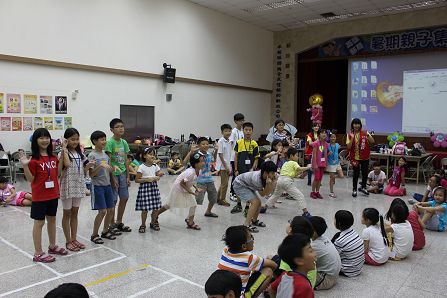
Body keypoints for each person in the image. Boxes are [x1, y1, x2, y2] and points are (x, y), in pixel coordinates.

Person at [20, 128, 67, 262]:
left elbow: (58, 173)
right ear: (35, 140)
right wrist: (24, 166)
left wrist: (63, 154)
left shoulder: (53, 157)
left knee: (52, 220)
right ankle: (38, 253)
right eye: (41, 138)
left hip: (53, 194)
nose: (45, 140)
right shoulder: (34, 160)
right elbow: (30, 179)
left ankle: (52, 246)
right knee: (39, 223)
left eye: (47, 137)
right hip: (39, 196)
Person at [218, 225, 277, 298]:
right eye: (251, 237)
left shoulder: (225, 250)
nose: (253, 239)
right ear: (244, 246)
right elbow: (274, 265)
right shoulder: (250, 258)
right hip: (239, 295)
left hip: (224, 291)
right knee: (268, 271)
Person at [154, 152, 205, 230]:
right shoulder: (190, 172)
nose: (203, 163)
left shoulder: (199, 171)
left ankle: (190, 222)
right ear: (195, 164)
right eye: (201, 161)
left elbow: (192, 181)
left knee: (193, 204)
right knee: (169, 205)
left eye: (203, 161)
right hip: (178, 189)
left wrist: (196, 188)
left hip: (185, 188)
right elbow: (182, 183)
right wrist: (190, 192)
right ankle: (155, 215)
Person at [60, 128, 89, 252]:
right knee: (67, 214)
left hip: (78, 185)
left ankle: (74, 238)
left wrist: (89, 166)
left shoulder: (80, 154)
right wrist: (64, 149)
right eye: (72, 139)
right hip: (67, 186)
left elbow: (84, 169)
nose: (75, 141)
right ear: (66, 140)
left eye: (77, 139)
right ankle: (68, 241)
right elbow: (66, 164)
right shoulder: (62, 153)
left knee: (75, 213)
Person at [263, 147, 311, 217]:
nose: (297, 157)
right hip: (286, 182)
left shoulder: (285, 163)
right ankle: (305, 212)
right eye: (296, 155)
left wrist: (301, 173)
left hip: (280, 181)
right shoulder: (294, 163)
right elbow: (299, 169)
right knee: (300, 196)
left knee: (275, 195)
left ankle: (265, 207)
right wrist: (308, 167)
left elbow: (293, 173)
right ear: (291, 156)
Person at [232, 161, 277, 233]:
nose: (274, 175)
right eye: (272, 173)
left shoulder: (270, 176)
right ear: (265, 173)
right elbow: (263, 194)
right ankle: (246, 225)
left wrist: (271, 184)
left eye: (274, 173)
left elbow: (267, 192)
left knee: (259, 203)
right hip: (239, 184)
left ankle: (254, 220)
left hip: (248, 185)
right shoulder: (257, 179)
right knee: (255, 202)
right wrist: (270, 184)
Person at [88, 130, 117, 244]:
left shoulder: (105, 155)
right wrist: (100, 165)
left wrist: (113, 179)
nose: (104, 141)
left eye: (105, 139)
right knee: (102, 211)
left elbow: (109, 170)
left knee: (110, 210)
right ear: (95, 141)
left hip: (108, 185)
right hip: (97, 187)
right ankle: (94, 234)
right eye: (101, 139)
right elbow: (91, 174)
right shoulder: (92, 155)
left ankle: (105, 231)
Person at [268, 234, 316, 298]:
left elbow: (271, 289)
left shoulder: (285, 275)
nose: (315, 254)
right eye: (311, 251)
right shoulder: (304, 287)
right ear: (299, 261)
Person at [105, 118, 132, 233]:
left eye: (122, 126)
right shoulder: (110, 143)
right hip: (114, 175)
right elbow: (109, 161)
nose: (121, 128)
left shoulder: (124, 142)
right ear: (111, 130)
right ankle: (111, 224)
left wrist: (128, 176)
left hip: (123, 174)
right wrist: (112, 178)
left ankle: (119, 222)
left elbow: (126, 160)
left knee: (124, 198)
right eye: (117, 127)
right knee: (113, 200)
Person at [233, 122, 260, 216]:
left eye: (250, 130)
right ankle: (238, 204)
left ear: (252, 131)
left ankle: (247, 207)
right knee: (238, 185)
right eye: (246, 130)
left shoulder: (254, 144)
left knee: (249, 187)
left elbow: (256, 158)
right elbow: (236, 156)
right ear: (243, 131)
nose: (248, 132)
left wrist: (253, 168)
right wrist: (235, 169)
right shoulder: (239, 142)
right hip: (240, 169)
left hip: (250, 171)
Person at [308, 216, 341, 291]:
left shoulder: (314, 246)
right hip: (334, 275)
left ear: (313, 232)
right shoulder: (325, 238)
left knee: (298, 273)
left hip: (326, 280)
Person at [135, 147, 163, 232]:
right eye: (150, 154)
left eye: (153, 154)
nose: (152, 156)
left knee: (156, 208)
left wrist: (159, 175)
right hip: (145, 189)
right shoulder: (141, 167)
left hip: (154, 188)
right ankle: (143, 225)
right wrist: (147, 179)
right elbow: (137, 180)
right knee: (145, 209)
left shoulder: (155, 166)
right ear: (144, 156)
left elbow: (158, 173)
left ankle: (153, 222)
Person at [346, 118, 374, 197]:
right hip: (355, 158)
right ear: (352, 125)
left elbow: (372, 141)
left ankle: (364, 187)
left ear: (360, 125)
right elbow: (348, 147)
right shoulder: (349, 134)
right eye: (355, 124)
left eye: (358, 124)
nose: (356, 125)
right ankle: (354, 189)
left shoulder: (365, 132)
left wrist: (367, 134)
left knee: (365, 173)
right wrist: (352, 137)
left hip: (365, 157)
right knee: (356, 174)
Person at [331, 210, 364, 277]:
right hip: (358, 268)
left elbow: (333, 257)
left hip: (348, 271)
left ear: (339, 223)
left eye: (334, 219)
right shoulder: (354, 232)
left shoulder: (339, 241)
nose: (333, 221)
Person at [192, 137, 219, 217]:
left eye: (207, 144)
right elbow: (194, 167)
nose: (205, 145)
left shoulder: (209, 154)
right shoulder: (197, 155)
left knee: (214, 197)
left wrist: (216, 150)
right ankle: (190, 217)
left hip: (209, 180)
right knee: (197, 199)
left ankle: (208, 211)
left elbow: (213, 160)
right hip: (200, 181)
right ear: (199, 146)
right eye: (203, 144)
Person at [229, 113, 245, 204]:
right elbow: (231, 144)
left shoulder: (242, 131)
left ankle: (238, 192)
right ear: (235, 121)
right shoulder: (234, 131)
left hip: (242, 157)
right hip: (234, 157)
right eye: (240, 120)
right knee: (235, 175)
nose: (241, 122)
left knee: (241, 176)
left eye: (243, 120)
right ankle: (232, 193)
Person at [216, 124, 233, 207]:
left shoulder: (229, 140)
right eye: (226, 131)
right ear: (222, 132)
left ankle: (217, 198)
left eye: (229, 131)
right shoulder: (221, 141)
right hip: (223, 166)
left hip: (227, 165)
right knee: (225, 184)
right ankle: (222, 200)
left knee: (223, 183)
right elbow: (220, 155)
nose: (228, 132)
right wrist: (225, 166)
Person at [310, 129, 328, 199]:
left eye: (325, 133)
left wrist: (326, 163)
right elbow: (314, 155)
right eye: (322, 133)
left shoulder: (326, 144)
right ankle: (312, 192)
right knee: (316, 178)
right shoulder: (316, 143)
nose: (324, 134)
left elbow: (325, 154)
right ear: (319, 134)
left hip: (323, 164)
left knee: (320, 179)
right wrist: (315, 164)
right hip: (316, 164)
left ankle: (317, 192)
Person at [327, 133, 344, 198]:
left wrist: (341, 158)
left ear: (336, 138)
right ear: (329, 138)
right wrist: (328, 154)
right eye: (331, 137)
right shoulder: (327, 145)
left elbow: (337, 153)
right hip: (331, 164)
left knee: (341, 176)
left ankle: (332, 177)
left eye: (334, 137)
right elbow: (324, 155)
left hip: (337, 163)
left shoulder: (337, 145)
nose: (333, 138)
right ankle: (331, 192)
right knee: (332, 179)